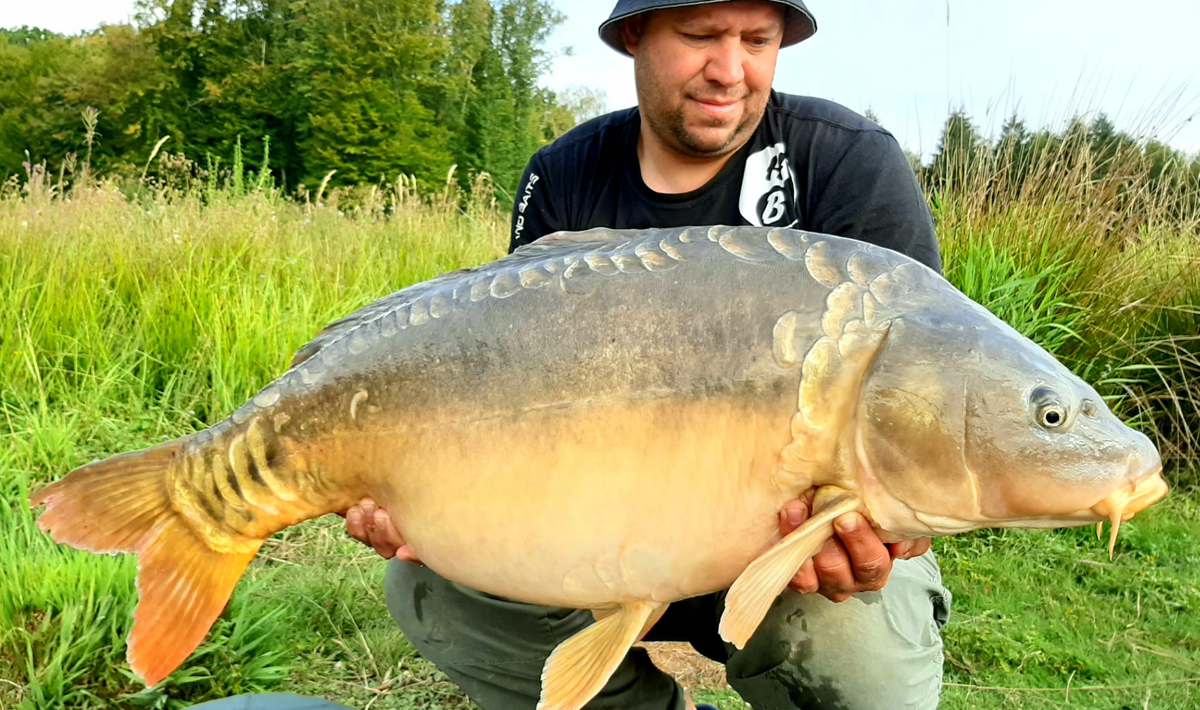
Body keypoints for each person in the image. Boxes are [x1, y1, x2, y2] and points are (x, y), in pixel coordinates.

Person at [341, 2, 953, 709]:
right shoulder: (565, 175)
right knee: (432, 582)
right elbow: (512, 397)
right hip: (600, 528)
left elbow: (919, 399)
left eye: (758, 40)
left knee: (860, 658)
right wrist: (424, 498)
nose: (729, 70)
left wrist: (892, 524)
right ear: (635, 34)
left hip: (789, 545)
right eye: (700, 37)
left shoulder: (847, 161)